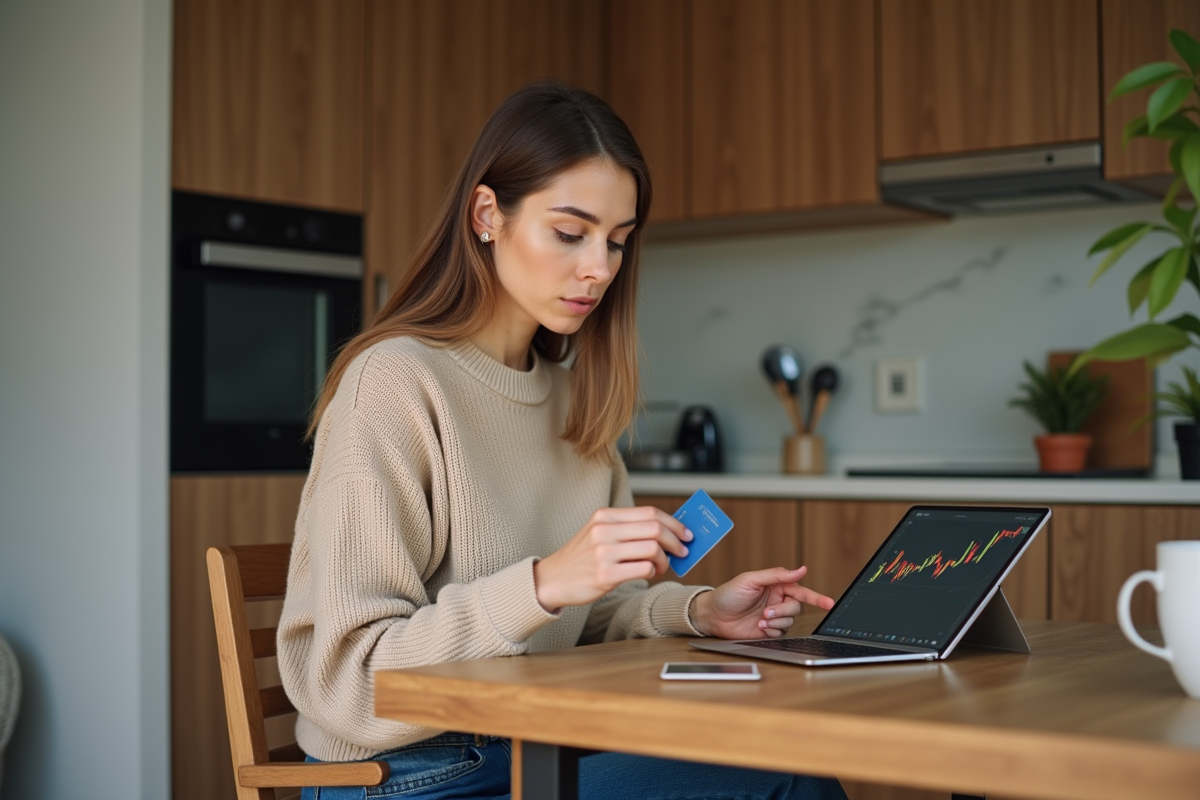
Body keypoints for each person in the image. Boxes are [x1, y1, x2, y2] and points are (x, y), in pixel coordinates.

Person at [278, 81, 847, 800]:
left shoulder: (574, 398)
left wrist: (697, 611)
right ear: (488, 215)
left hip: (534, 743)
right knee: (781, 778)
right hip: (409, 774)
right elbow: (350, 680)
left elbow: (589, 618)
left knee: (781, 752)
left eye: (617, 241)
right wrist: (544, 582)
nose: (600, 268)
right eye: (571, 233)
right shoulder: (393, 383)